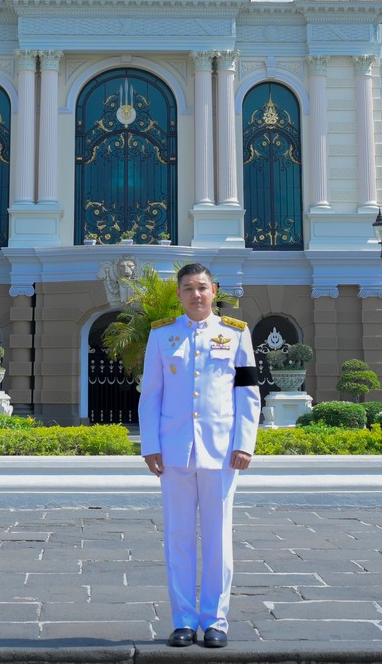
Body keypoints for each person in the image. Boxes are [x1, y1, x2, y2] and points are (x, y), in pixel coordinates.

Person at [139, 261, 260, 648]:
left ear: (214, 291)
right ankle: (184, 621)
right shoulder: (162, 337)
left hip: (222, 450)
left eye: (202, 287)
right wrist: (150, 445)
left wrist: (244, 442)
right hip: (174, 450)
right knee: (177, 537)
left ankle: (216, 620)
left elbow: (248, 393)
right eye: (188, 288)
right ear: (178, 294)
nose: (196, 294)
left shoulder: (236, 335)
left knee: (218, 538)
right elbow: (151, 394)